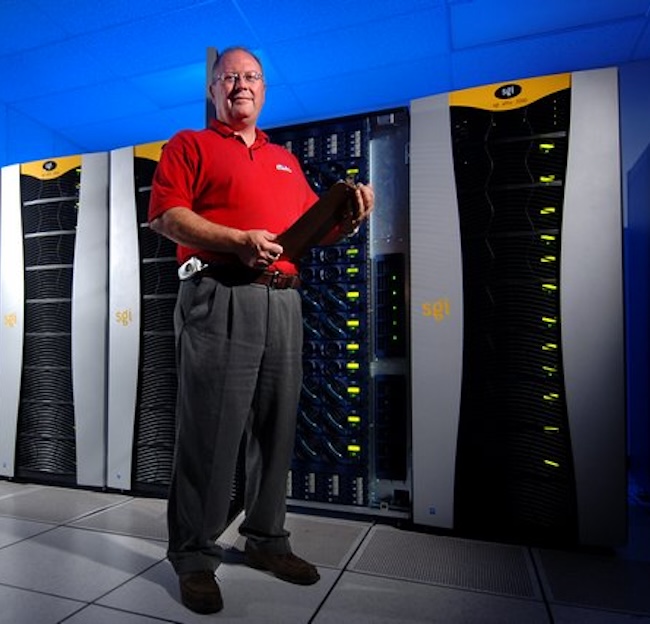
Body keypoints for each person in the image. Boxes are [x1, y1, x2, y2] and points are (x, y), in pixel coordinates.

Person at [148, 45, 374, 614]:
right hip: (219, 292)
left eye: (250, 77)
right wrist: (237, 238)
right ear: (213, 90)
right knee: (211, 432)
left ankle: (267, 538)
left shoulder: (286, 160)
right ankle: (195, 555)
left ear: (264, 89)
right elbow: (166, 215)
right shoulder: (189, 145)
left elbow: (309, 234)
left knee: (275, 433)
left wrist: (346, 219)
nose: (240, 85)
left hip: (282, 303)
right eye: (229, 78)